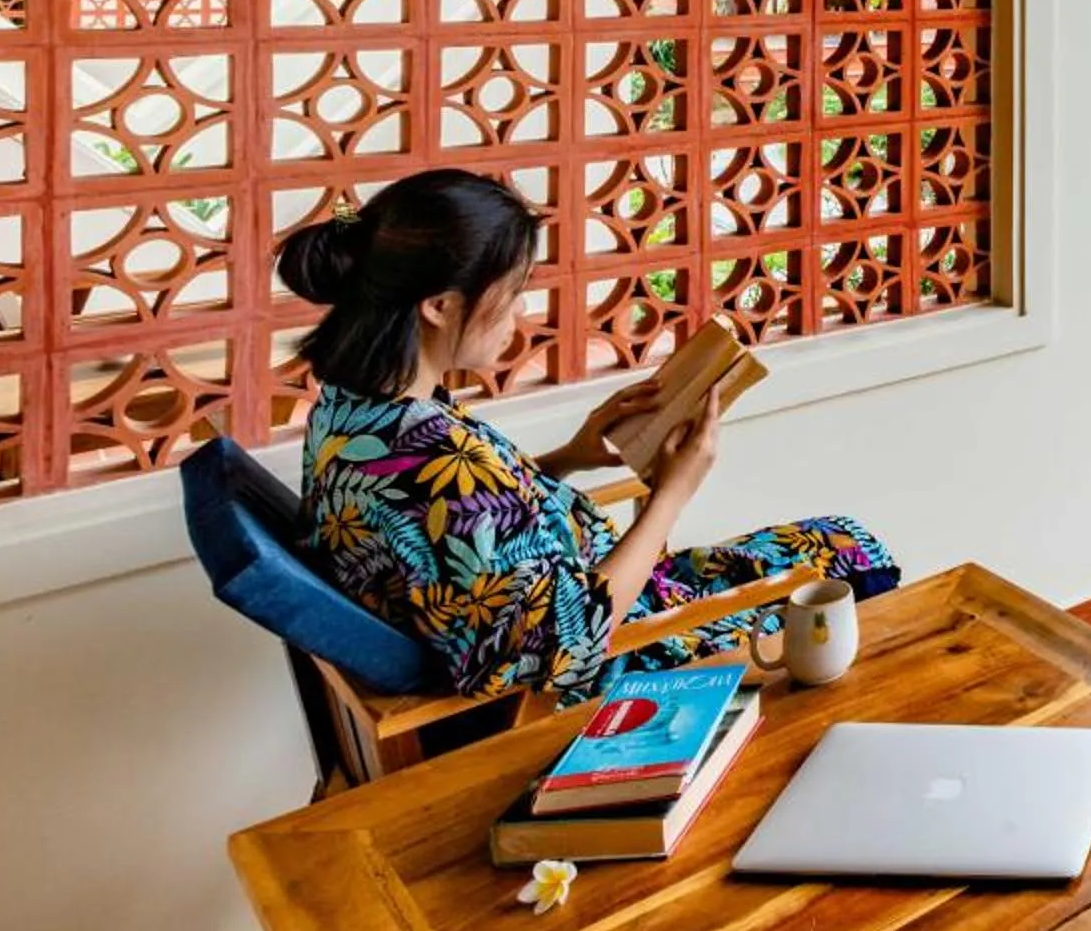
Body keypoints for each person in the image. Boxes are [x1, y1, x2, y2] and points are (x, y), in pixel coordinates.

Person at [283, 169, 899, 704]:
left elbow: (462, 536)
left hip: (587, 593)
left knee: (839, 540)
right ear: (440, 306)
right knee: (849, 560)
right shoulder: (433, 458)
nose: (521, 314)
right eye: (513, 292)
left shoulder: (356, 412)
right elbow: (570, 637)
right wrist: (671, 496)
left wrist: (568, 458)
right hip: (608, 666)